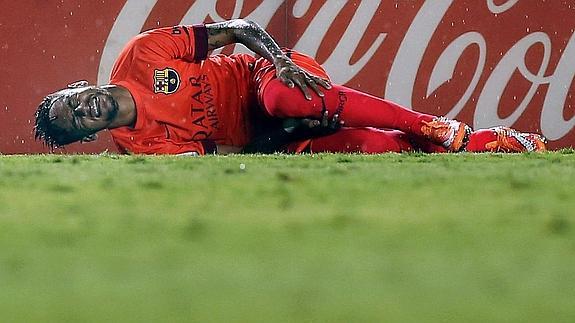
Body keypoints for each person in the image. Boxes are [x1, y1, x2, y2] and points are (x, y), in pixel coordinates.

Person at [34, 19, 547, 155]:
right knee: (373, 149)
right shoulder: (144, 148)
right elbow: (245, 149)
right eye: (77, 119)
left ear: (80, 85)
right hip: (280, 135)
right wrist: (298, 130)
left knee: (285, 94)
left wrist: (279, 61)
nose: (84, 108)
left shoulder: (140, 54)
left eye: (73, 100)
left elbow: (240, 31)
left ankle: (441, 128)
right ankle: (488, 142)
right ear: (86, 136)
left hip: (270, 79)